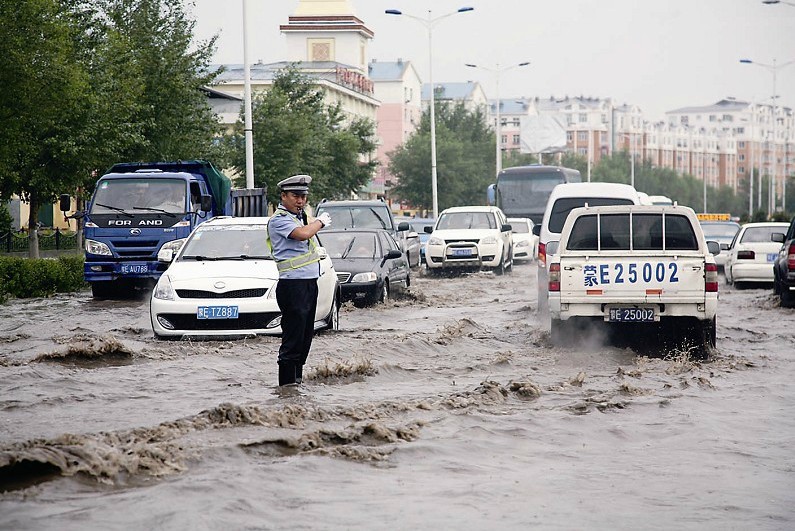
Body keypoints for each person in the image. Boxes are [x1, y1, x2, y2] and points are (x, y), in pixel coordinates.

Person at [267, 174, 332, 387]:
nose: (300, 200)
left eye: (303, 196)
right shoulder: (279, 220)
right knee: (293, 342)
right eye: (295, 196)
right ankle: (286, 389)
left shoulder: (299, 217)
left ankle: (296, 385)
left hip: (308, 283)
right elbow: (303, 234)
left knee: (305, 340)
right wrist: (320, 222)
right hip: (292, 285)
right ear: (283, 196)